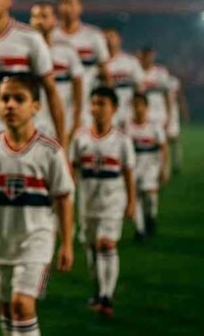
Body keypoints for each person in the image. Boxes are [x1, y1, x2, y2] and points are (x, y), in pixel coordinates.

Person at [0, 0, 67, 318]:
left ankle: (33, 272)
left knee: (33, 208)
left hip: (28, 143)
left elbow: (51, 91)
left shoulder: (28, 39)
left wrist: (63, 141)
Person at [0, 75, 74, 336]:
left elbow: (63, 197)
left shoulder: (50, 151)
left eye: (19, 99)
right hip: (0, 241)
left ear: (36, 107)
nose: (10, 105)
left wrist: (67, 243)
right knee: (6, 309)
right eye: (5, 98)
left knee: (22, 305)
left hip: (36, 240)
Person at [69, 87, 136, 318]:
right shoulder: (80, 138)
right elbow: (73, 170)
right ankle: (98, 290)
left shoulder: (121, 140)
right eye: (94, 103)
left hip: (112, 201)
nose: (96, 108)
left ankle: (107, 296)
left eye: (102, 104)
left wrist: (131, 202)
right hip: (87, 203)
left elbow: (128, 173)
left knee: (106, 244)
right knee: (91, 247)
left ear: (114, 108)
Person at [53, 0, 111, 129]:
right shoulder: (51, 36)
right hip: (57, 98)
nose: (69, 8)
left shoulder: (93, 36)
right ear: (58, 7)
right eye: (65, 3)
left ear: (80, 8)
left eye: (72, 3)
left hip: (87, 102)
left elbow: (106, 73)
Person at [29, 1, 84, 136]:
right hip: (32, 120)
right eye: (35, 17)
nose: (39, 21)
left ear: (54, 20)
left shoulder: (67, 50)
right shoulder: (25, 52)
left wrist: (76, 120)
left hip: (63, 120)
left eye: (44, 16)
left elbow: (78, 90)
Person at [126, 93, 168, 240]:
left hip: (151, 166)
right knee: (135, 196)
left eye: (140, 105)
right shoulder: (127, 127)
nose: (137, 109)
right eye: (134, 105)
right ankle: (140, 229)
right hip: (133, 167)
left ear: (146, 107)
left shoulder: (154, 126)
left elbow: (163, 147)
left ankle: (151, 217)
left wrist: (164, 168)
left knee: (149, 196)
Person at [138, 46, 177, 175]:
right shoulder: (137, 72)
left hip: (159, 114)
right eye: (145, 55)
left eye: (150, 55)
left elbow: (168, 95)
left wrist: (169, 115)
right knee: (146, 142)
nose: (148, 58)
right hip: (143, 113)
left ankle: (164, 168)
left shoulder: (161, 72)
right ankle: (148, 170)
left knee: (161, 142)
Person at [103, 28, 144, 127]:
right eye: (105, 37)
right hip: (107, 110)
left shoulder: (130, 61)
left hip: (127, 110)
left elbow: (139, 86)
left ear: (119, 39)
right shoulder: (99, 64)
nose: (108, 40)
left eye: (112, 37)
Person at [167, 74, 188, 174]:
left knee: (174, 138)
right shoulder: (156, 78)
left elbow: (180, 97)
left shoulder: (174, 81)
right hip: (160, 113)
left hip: (173, 112)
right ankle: (165, 166)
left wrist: (184, 111)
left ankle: (177, 163)